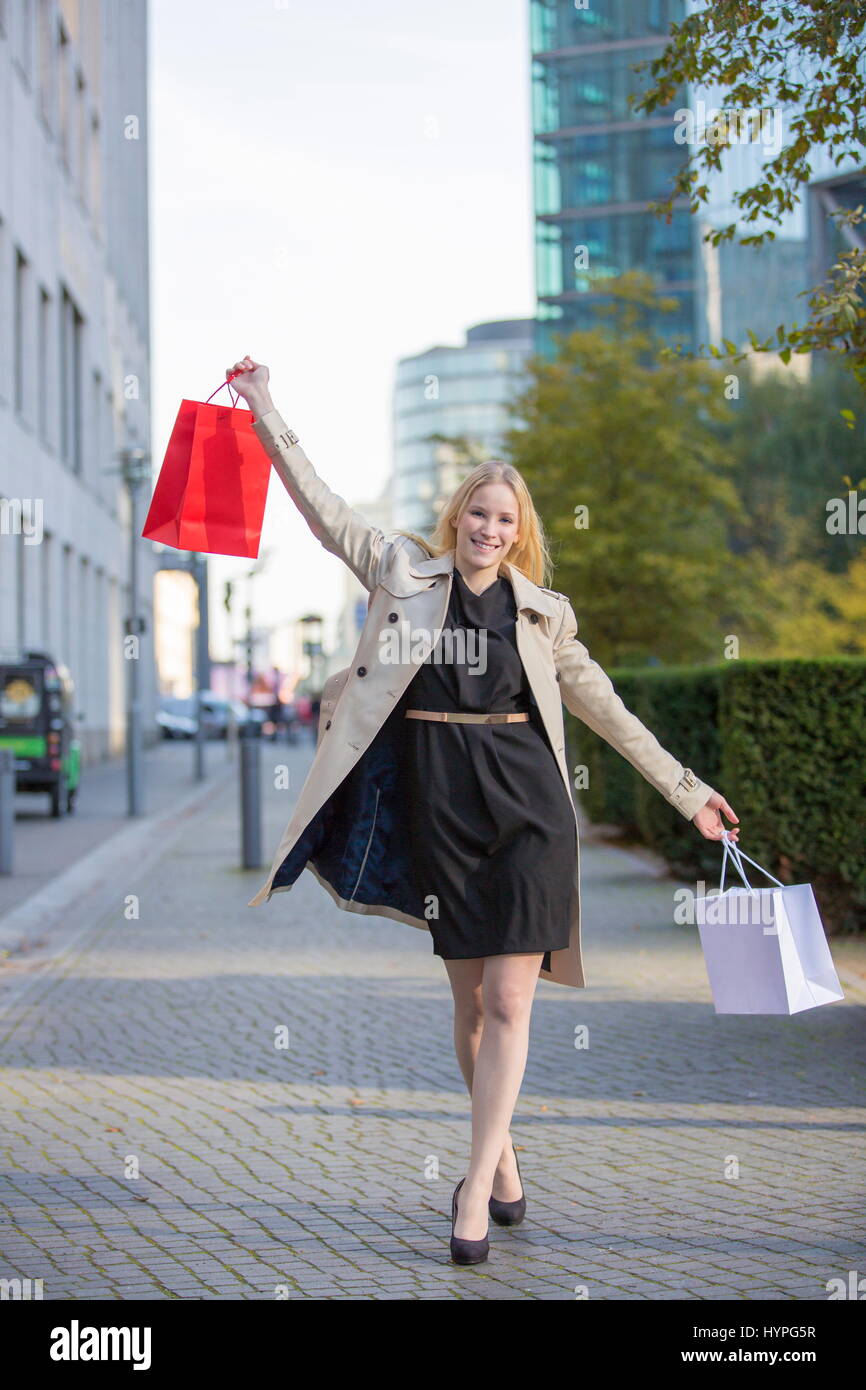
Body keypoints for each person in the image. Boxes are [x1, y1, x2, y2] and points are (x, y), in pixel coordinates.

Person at [227, 355, 739, 1265]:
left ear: (520, 532)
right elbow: (319, 505)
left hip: (530, 814)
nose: (488, 529)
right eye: (477, 512)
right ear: (456, 516)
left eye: (505, 520)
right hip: (444, 815)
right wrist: (266, 407)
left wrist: (689, 792)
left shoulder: (545, 617)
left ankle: (468, 1188)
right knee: (470, 1013)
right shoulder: (401, 573)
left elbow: (612, 714)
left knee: (511, 999)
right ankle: (500, 1157)